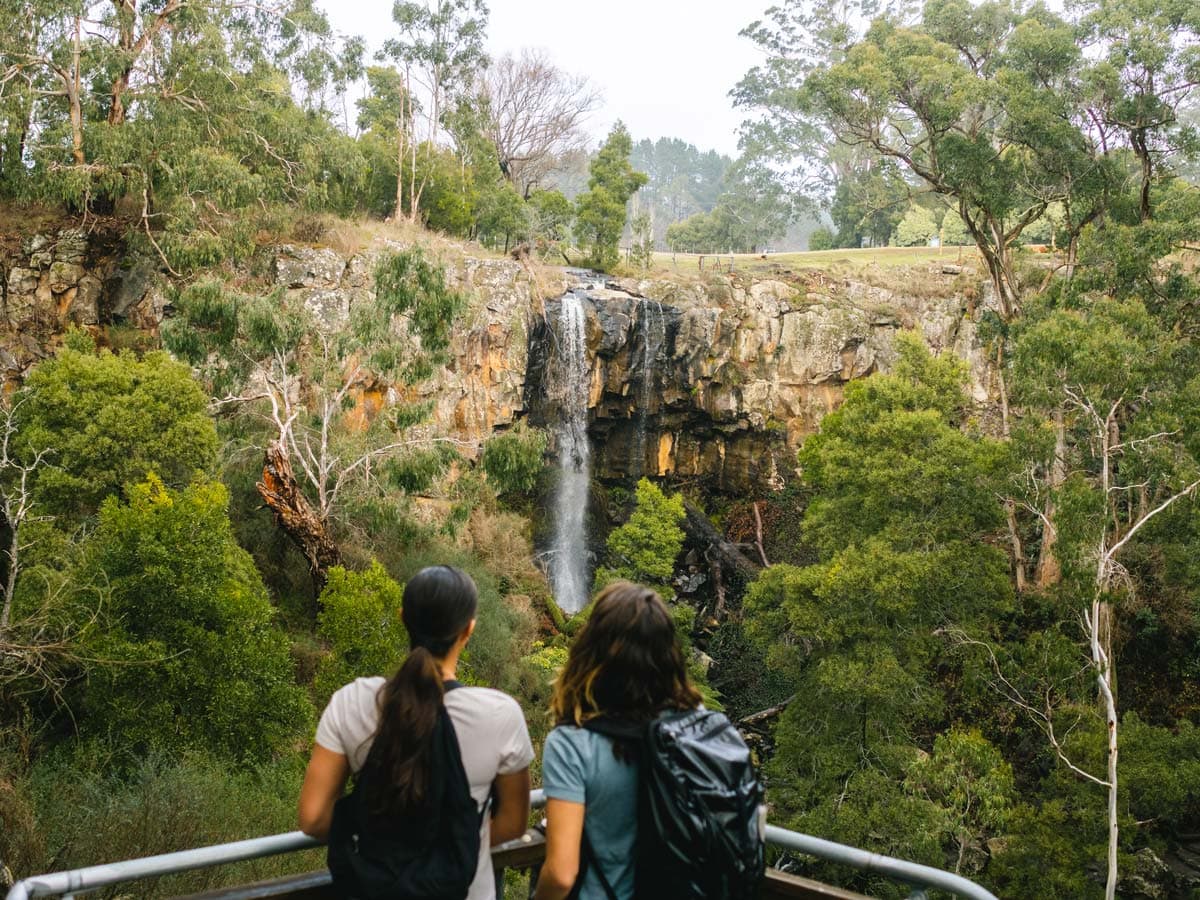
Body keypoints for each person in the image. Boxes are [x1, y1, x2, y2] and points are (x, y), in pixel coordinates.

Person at [298, 565, 533, 900]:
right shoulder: (500, 714)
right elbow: (512, 823)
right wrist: (448, 841)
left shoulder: (352, 702)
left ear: (402, 618)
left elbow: (314, 819)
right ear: (468, 629)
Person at [533, 581, 704, 900]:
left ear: (591, 646)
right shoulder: (695, 725)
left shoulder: (572, 742)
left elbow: (560, 874)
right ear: (669, 654)